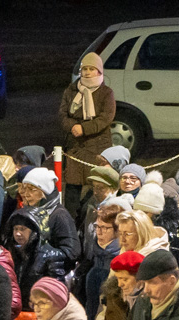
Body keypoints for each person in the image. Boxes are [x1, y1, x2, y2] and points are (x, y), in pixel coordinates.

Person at [59, 53, 116, 219]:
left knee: (95, 187)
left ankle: (90, 217)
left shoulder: (106, 92)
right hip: (75, 147)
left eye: (92, 69)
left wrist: (84, 128)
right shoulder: (71, 90)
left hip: (97, 146)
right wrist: (73, 127)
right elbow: (62, 114)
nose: (88, 72)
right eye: (85, 69)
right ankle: (70, 222)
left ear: (99, 72)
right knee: (72, 189)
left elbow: (106, 117)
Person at [17, 167, 81, 269]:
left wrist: (45, 254)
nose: (26, 194)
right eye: (25, 188)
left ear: (44, 192)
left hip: (52, 276)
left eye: (31, 189)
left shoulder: (59, 215)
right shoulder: (29, 213)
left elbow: (73, 251)